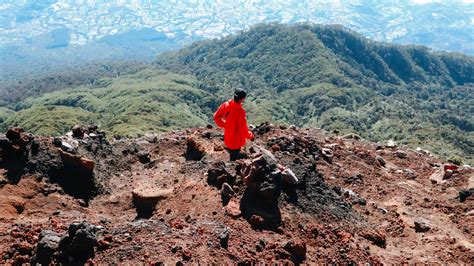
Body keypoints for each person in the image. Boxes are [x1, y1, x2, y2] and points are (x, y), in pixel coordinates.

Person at [213, 88, 254, 161]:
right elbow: (243, 130)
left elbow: (216, 117)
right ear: (241, 99)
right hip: (236, 141)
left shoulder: (226, 105)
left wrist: (225, 125)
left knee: (232, 154)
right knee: (233, 159)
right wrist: (250, 135)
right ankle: (231, 168)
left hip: (228, 137)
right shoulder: (240, 112)